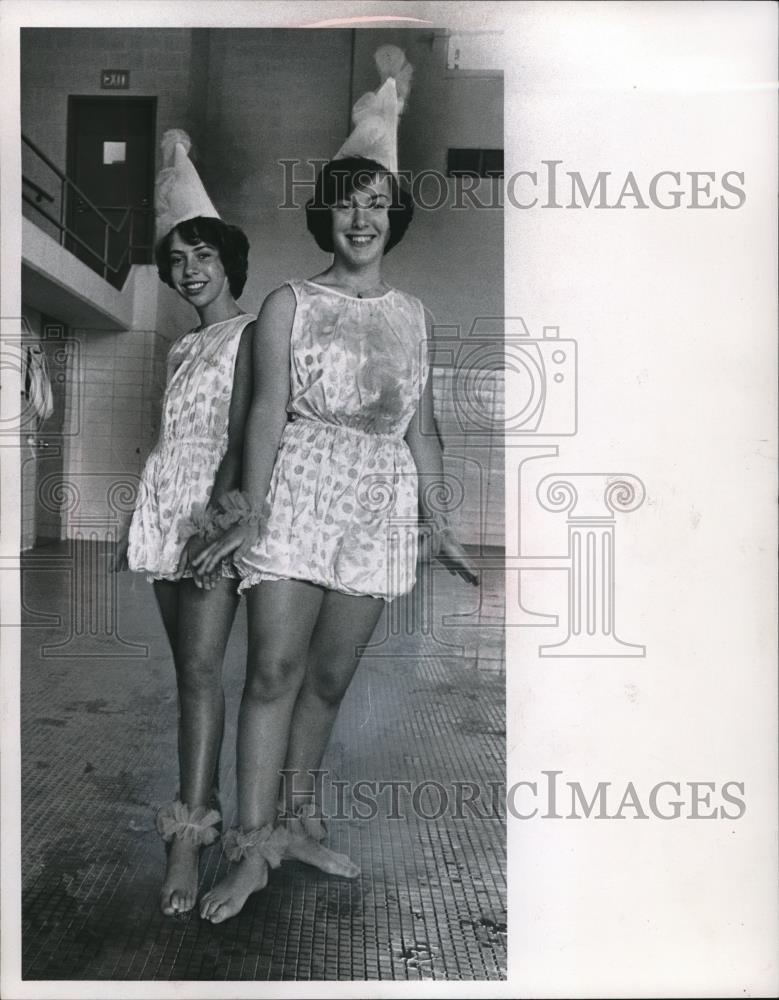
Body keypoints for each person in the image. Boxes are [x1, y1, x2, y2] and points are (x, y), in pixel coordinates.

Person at [191, 48, 478, 924]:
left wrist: (439, 522)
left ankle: (298, 824)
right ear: (328, 213)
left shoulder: (413, 317)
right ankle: (246, 852)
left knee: (327, 678)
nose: (361, 217)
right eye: (348, 202)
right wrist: (250, 512)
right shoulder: (286, 303)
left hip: (378, 505)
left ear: (394, 217)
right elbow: (265, 417)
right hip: (300, 492)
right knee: (272, 670)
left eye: (377, 203)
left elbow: (420, 429)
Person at [115, 130, 256, 917]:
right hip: (166, 514)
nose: (188, 270)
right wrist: (144, 517)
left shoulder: (250, 334)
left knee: (203, 676)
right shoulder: (181, 348)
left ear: (228, 259)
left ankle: (189, 836)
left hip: (212, 516)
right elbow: (171, 441)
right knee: (187, 678)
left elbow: (244, 436)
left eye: (200, 254)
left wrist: (217, 522)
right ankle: (201, 820)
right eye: (175, 260)